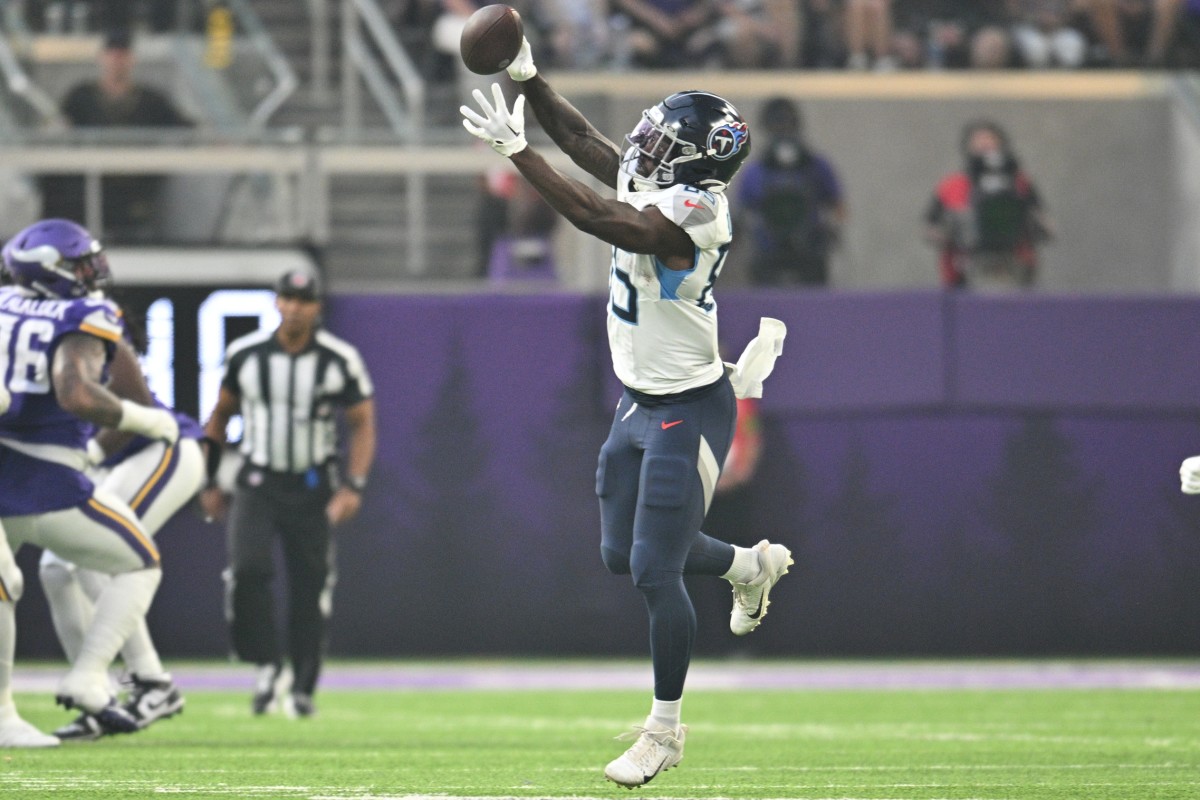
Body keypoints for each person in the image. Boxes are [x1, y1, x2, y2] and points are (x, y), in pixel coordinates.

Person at [460, 39, 792, 787]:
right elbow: (583, 143)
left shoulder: (698, 215)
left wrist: (518, 153)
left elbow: (600, 218)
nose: (648, 146)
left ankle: (664, 731)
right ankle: (745, 565)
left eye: (668, 142)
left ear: (703, 163)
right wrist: (526, 75)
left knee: (652, 567)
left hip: (692, 404)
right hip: (639, 400)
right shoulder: (660, 180)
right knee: (623, 553)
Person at [0, 218, 179, 747]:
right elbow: (77, 393)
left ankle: (5, 717)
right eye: (80, 263)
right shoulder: (86, 312)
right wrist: (147, 421)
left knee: (5, 588)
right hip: (46, 475)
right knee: (140, 562)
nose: (92, 271)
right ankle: (88, 674)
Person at [198, 270, 376, 719]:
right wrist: (209, 479)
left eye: (304, 300)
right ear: (276, 302)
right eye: (287, 298)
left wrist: (353, 485)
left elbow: (362, 424)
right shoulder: (246, 355)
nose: (295, 307)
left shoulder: (339, 359)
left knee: (309, 586)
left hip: (313, 485)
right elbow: (219, 418)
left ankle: (302, 684)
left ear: (317, 307)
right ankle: (265, 665)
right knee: (247, 571)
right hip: (257, 480)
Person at [39, 344, 205, 740]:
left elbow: (136, 405)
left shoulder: (85, 324)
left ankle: (151, 680)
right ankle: (98, 698)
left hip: (158, 445)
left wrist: (92, 451)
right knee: (56, 569)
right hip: (98, 463)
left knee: (100, 557)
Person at [40, 28, 192, 242]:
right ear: (102, 58)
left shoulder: (150, 100)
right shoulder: (81, 96)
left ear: (131, 60)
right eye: (112, 55)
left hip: (133, 187)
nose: (116, 61)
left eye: (122, 56)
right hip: (88, 184)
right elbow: (57, 128)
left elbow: (187, 129)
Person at [924, 120, 1051, 289]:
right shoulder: (951, 186)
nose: (984, 144)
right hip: (963, 272)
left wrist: (1032, 225)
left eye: (990, 139)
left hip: (1015, 268)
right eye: (978, 140)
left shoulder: (1021, 183)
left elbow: (1043, 221)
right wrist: (954, 230)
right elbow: (930, 226)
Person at [736, 97, 845, 287]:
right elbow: (741, 211)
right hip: (767, 253)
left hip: (810, 251)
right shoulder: (755, 171)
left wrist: (833, 230)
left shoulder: (816, 166)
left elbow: (838, 204)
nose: (783, 131)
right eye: (777, 126)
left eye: (787, 125)